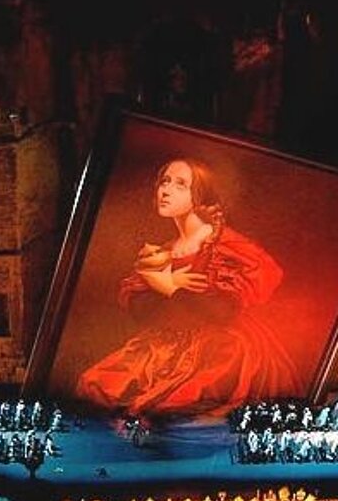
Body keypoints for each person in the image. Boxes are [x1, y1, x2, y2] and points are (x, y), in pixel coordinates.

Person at [77, 157, 300, 419]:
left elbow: (222, 312)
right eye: (164, 181)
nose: (166, 190)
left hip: (224, 347)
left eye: (180, 184)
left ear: (199, 196)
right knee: (93, 383)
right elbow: (142, 311)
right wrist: (166, 285)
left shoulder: (224, 246)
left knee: (172, 408)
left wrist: (170, 287)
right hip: (166, 347)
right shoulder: (164, 251)